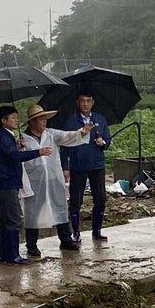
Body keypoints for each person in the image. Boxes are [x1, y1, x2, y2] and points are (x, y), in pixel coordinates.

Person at [22, 104, 94, 256]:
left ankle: (66, 239)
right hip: (35, 181)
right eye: (41, 119)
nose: (44, 122)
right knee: (33, 212)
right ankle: (31, 245)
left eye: (45, 119)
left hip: (53, 179)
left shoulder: (51, 134)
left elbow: (68, 136)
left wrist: (82, 132)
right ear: (32, 121)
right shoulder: (23, 140)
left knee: (59, 206)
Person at [0, 106, 52, 265]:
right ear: (3, 121)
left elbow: (10, 153)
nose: (16, 120)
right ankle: (12, 254)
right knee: (13, 219)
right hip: (6, 182)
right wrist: (38, 152)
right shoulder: (3, 137)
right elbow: (14, 156)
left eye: (17, 117)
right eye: (12, 118)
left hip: (4, 182)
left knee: (3, 220)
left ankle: (3, 254)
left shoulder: (5, 137)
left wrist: (16, 145)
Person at [61, 90, 111, 242]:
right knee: (76, 200)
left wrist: (103, 143)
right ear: (77, 102)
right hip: (77, 165)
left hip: (97, 164)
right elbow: (64, 145)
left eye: (89, 101)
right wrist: (65, 166)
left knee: (100, 198)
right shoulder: (71, 121)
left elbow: (107, 139)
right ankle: (76, 232)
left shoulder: (100, 120)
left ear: (93, 102)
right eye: (83, 101)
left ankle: (97, 231)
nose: (86, 104)